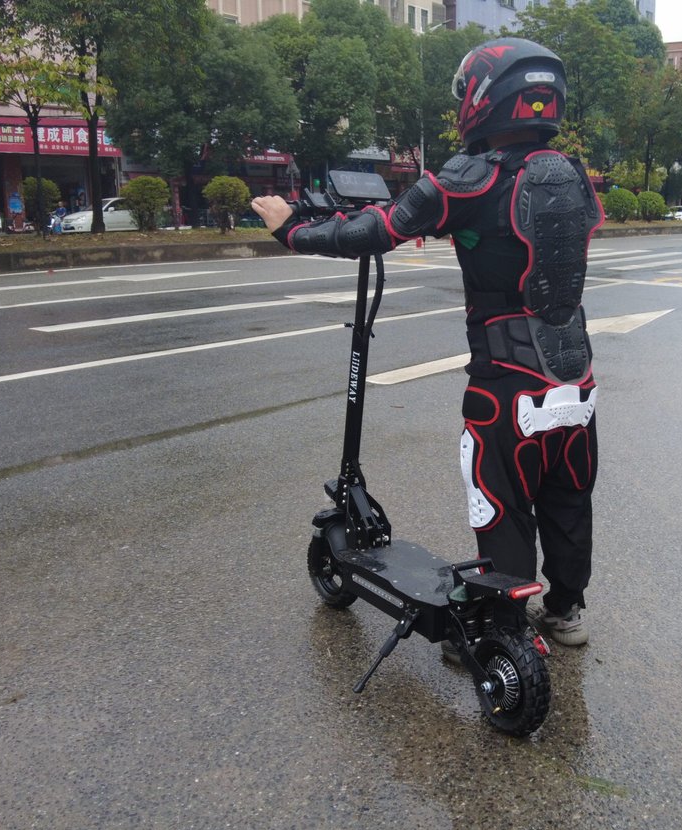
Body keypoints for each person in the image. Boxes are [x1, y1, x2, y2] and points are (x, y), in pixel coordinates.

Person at [251, 37, 602, 647]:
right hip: (576, 377)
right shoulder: (573, 175)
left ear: (484, 97)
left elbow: (374, 229)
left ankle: (502, 634)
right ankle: (565, 611)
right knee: (568, 499)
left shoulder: (471, 177)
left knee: (501, 504)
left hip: (506, 385)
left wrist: (291, 229)